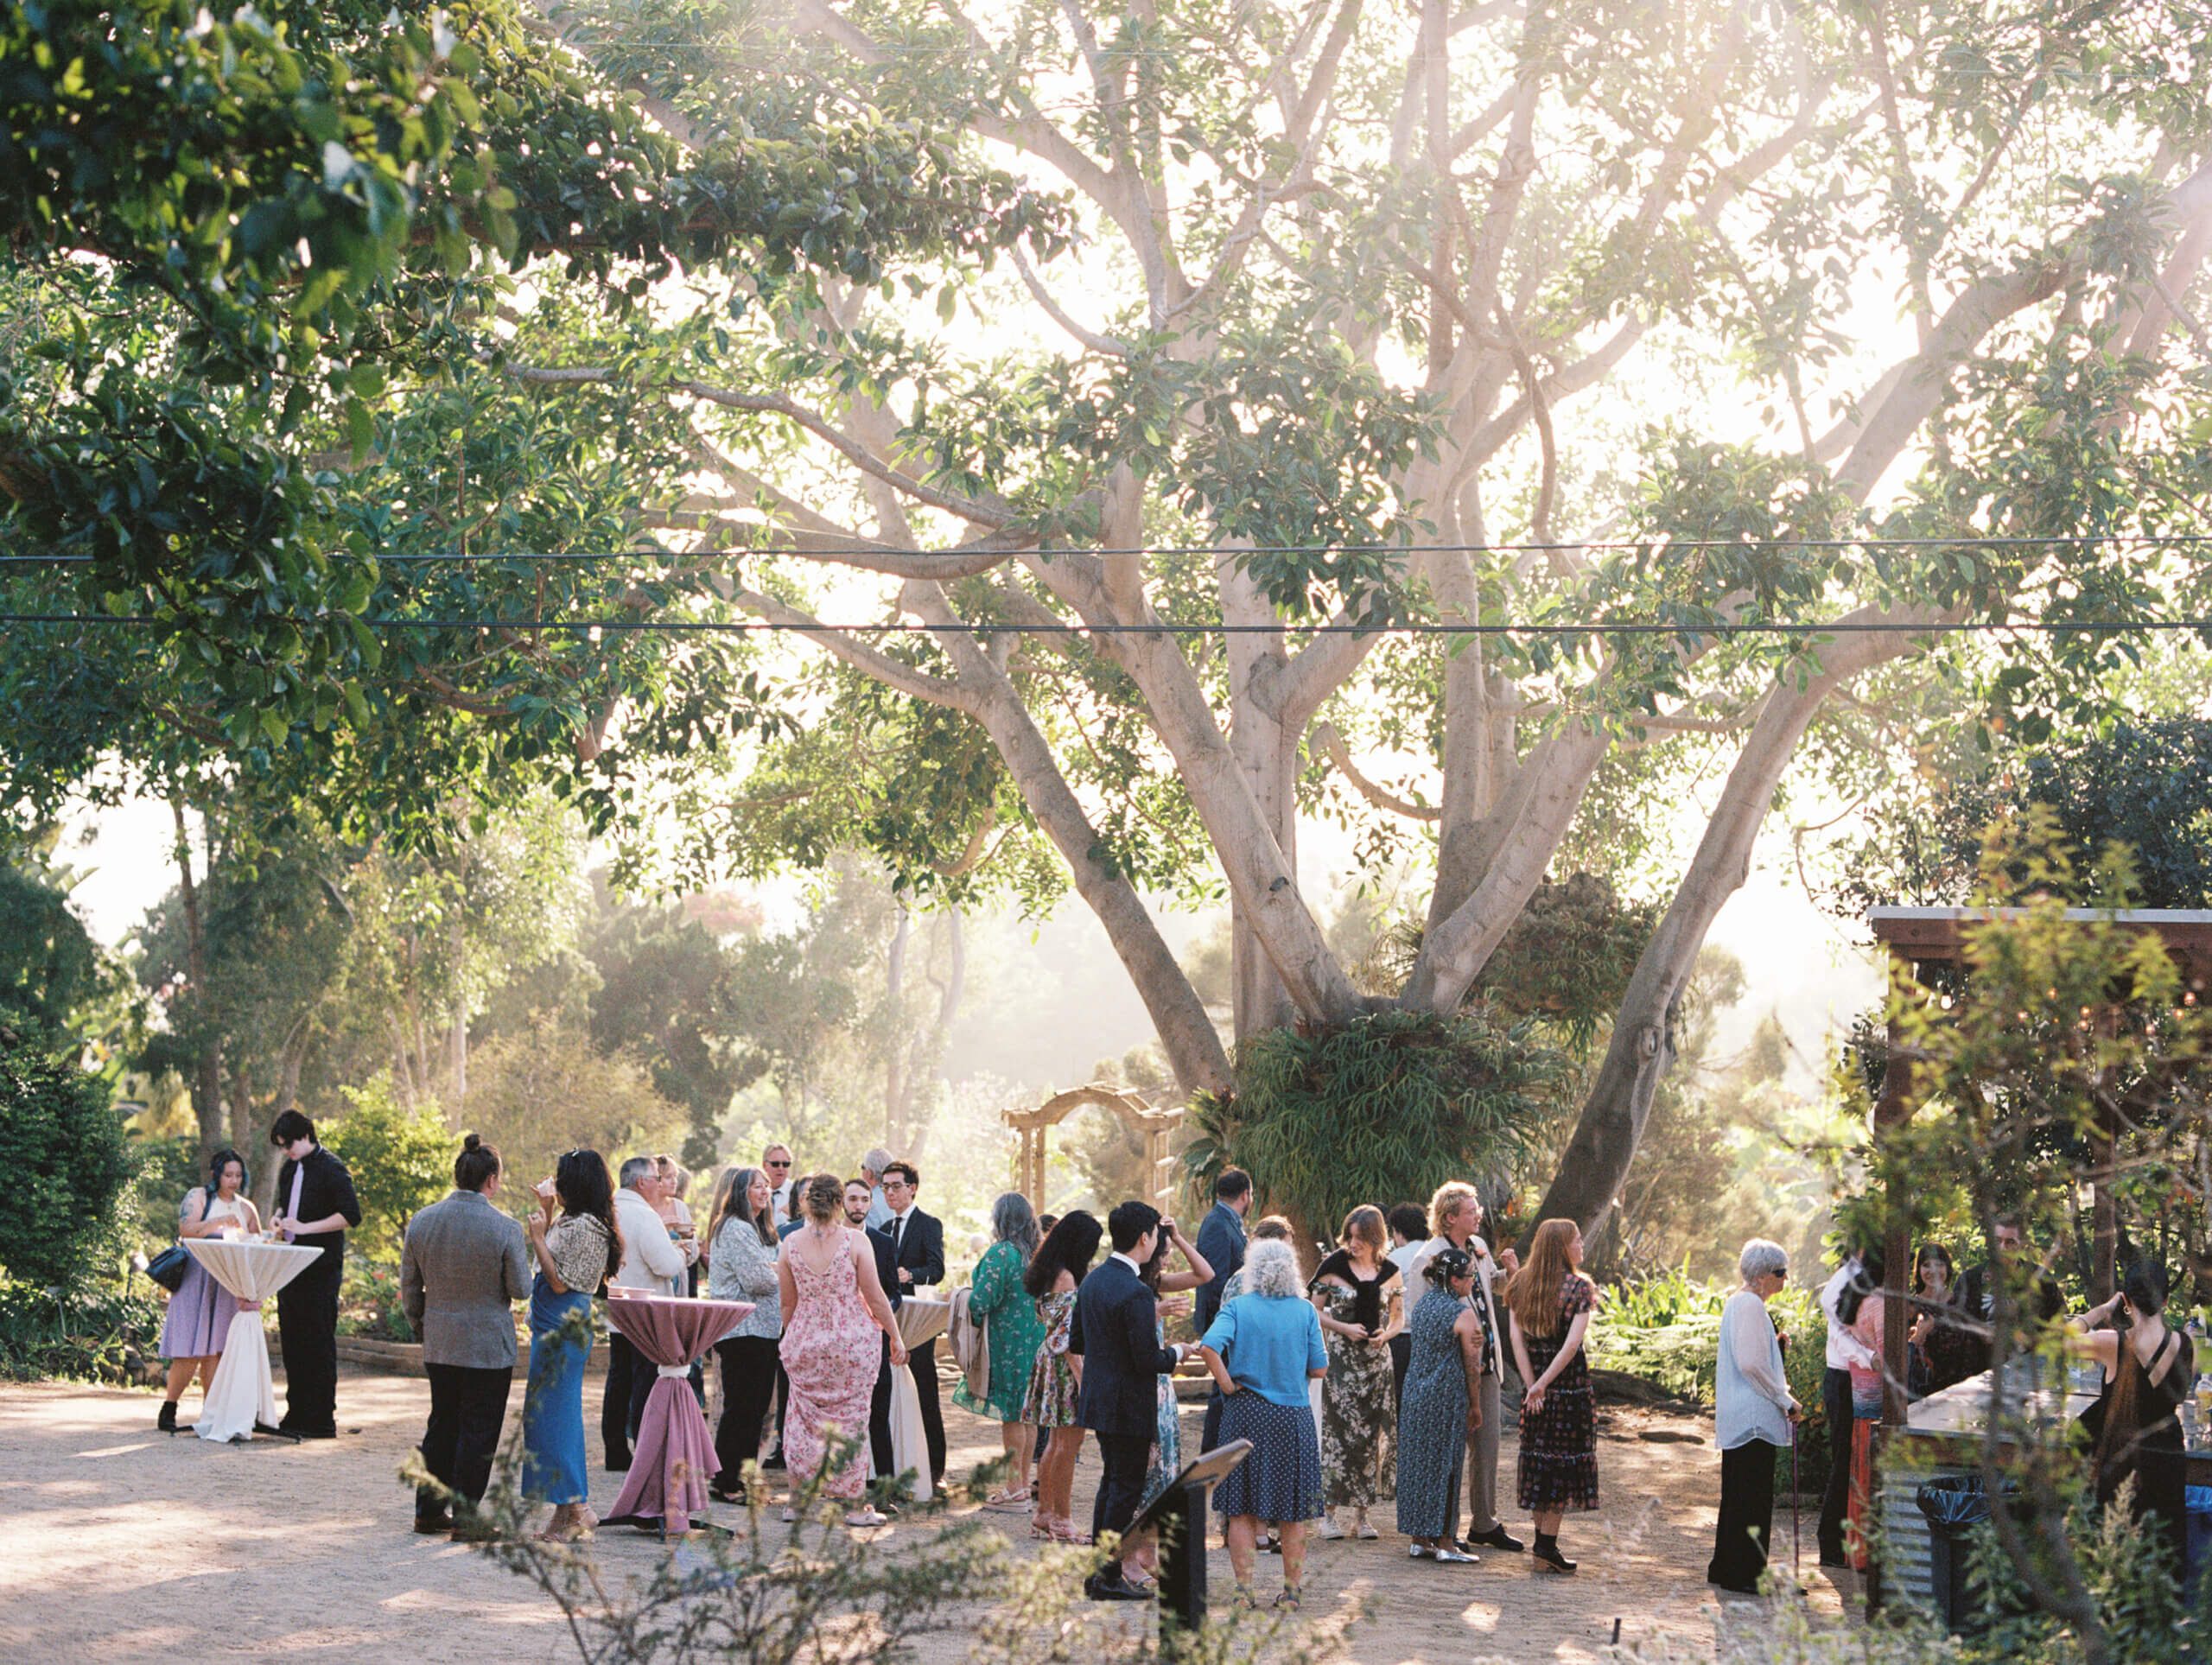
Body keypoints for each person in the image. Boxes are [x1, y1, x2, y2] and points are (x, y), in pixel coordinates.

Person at [401, 1134, 531, 1538]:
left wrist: (421, 1324)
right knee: (479, 1429)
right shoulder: (505, 1228)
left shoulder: (422, 1221)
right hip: (488, 1345)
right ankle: (468, 1517)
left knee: (441, 1425)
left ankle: (428, 1510)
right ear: (491, 1180)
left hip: (440, 1339)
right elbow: (521, 1289)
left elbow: (409, 1286)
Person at [1071, 1201, 1198, 1602]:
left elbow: (1077, 1342)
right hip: (1128, 1404)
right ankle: (1107, 1577)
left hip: (1098, 1399)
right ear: (1145, 1238)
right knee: (1122, 1491)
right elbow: (1150, 1361)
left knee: (1110, 1487)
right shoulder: (1136, 1292)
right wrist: (1179, 1352)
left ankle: (1099, 1573)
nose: (1159, 1242)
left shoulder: (1091, 1281)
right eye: (1158, 1236)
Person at [1198, 1237, 1329, 1612]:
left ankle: (1243, 1592)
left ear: (1252, 1271)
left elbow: (1209, 1346)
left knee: (1240, 1508)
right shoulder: (1305, 1312)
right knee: (1293, 1510)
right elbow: (1319, 1368)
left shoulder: (1237, 1307)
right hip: (1292, 1418)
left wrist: (1227, 1384)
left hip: (1245, 1414)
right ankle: (1291, 1591)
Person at [778, 1172, 906, 1528]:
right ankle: (852, 1507)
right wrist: (896, 1337)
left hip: (806, 1337)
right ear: (839, 1203)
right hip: (851, 1341)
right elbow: (876, 1298)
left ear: (806, 1202)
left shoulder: (788, 1244)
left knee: (802, 1420)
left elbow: (787, 1304)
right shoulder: (856, 1243)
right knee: (852, 1422)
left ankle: (797, 1503)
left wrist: (795, 1338)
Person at [1404, 1182, 1522, 1554]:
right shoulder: (1427, 1258)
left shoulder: (1477, 1250)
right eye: (1471, 1211)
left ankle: (1484, 1522)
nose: (1479, 1216)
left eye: (1478, 1211)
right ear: (1450, 1217)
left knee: (1486, 1445)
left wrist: (1510, 1273)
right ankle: (1437, 1531)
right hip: (1447, 1367)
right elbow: (1420, 1315)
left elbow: (1491, 1289)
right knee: (1445, 1449)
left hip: (1486, 1361)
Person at [2068, 1259, 2194, 1578]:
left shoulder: (2114, 1343)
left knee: (2119, 1558)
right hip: (2167, 1456)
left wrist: (2100, 1311)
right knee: (2163, 1556)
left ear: (2126, 1301)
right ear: (2166, 1300)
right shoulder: (2186, 1345)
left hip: (2125, 1461)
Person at [522, 1148, 620, 1543]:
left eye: (561, 1179)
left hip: (563, 1326)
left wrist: (537, 1234)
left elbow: (559, 1280)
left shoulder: (587, 1228)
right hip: (551, 1325)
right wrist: (546, 1211)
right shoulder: (573, 1220)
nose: (555, 1183)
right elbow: (546, 1264)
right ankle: (568, 1512)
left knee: (557, 1420)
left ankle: (578, 1508)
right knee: (547, 1418)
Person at [1123, 1214, 1214, 1587]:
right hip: (1143, 1383)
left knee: (1164, 1472)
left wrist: (1177, 1238)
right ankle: (1136, 1552)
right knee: (1142, 1471)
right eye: (1161, 1253)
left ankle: (1150, 1549)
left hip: (1163, 1387)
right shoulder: (1128, 1286)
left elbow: (1205, 1275)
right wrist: (1155, 1312)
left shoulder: (1155, 1283)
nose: (1165, 1260)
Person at [1707, 1239, 1802, 1595]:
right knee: (1751, 1497)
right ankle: (1744, 1572)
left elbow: (1750, 1355)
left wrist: (1774, 1348)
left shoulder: (1741, 1303)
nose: (1785, 1279)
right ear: (1761, 1275)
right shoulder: (1749, 1305)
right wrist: (1785, 1399)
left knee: (1737, 1493)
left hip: (1743, 1414)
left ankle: (1726, 1565)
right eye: (1780, 1273)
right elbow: (1749, 1363)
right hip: (1753, 1416)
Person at [1504, 1217, 1599, 1574]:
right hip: (1568, 1388)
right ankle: (1546, 1546)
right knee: (1561, 1466)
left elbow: (1517, 1341)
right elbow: (1572, 1345)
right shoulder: (1579, 1288)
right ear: (1562, 1247)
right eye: (1577, 1240)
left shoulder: (1520, 1284)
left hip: (1536, 1389)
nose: (1581, 1246)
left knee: (1539, 1462)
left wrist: (1532, 1386)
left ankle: (1542, 1543)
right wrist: (1544, 1384)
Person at [269, 1109, 361, 1439]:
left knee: (318, 1340)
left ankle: (321, 1418)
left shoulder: (332, 1168)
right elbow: (285, 1205)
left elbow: (351, 1215)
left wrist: (308, 1228)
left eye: (289, 1144)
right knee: (292, 1340)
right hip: (290, 1265)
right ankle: (296, 1413)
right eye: (282, 1146)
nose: (286, 1151)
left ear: (307, 1136)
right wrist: (278, 1220)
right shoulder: (290, 1168)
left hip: (321, 1268)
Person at [156, 1147, 263, 1432]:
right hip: (196, 1274)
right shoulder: (199, 1197)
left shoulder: (246, 1207)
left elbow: (257, 1241)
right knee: (189, 1348)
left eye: (239, 1175)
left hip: (228, 1278)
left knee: (217, 1349)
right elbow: (186, 1229)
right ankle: (170, 1405)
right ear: (216, 1174)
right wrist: (217, 1222)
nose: (234, 1181)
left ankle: (211, 1411)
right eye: (228, 1174)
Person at [1311, 1204, 1401, 1541]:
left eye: (1361, 1238)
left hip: (1377, 1361)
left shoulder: (1390, 1270)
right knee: (1336, 1433)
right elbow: (1313, 1311)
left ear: (1376, 1238)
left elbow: (1398, 1316)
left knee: (1371, 1436)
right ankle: (1329, 1514)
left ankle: (1362, 1517)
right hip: (1341, 1361)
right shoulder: (1333, 1265)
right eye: (1350, 1236)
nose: (1354, 1244)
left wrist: (1387, 1334)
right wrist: (1343, 1329)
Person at [953, 1192, 1046, 1509]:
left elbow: (981, 1301)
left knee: (1011, 1416)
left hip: (1007, 1344)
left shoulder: (1001, 1254)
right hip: (1036, 1340)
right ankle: (1021, 1482)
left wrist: (962, 1300)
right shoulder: (1037, 1253)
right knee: (1028, 1414)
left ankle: (1013, 1488)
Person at [1396, 1247, 1486, 1563]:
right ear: (1454, 1279)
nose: (1472, 1282)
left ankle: (1419, 1537)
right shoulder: (1462, 1313)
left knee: (1419, 1464)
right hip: (1446, 1395)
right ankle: (1447, 1542)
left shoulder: (1422, 1307)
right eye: (1470, 1276)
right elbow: (1472, 1363)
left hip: (1415, 1392)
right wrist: (1475, 1405)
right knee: (1447, 1465)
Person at [603, 1156, 690, 1470]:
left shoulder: (608, 1210)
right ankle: (643, 1448)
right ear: (641, 1182)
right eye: (656, 1178)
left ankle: (614, 1449)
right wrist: (681, 1252)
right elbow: (665, 1265)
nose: (661, 1184)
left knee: (618, 1379)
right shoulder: (644, 1215)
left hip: (615, 1309)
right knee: (642, 1380)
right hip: (645, 1312)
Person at [1022, 1210, 1103, 1546]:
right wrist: (1085, 1379)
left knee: (1055, 1444)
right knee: (1068, 1445)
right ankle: (1062, 1519)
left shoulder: (1047, 1271)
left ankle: (1045, 1513)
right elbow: (1070, 1339)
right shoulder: (1067, 1278)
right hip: (1065, 1366)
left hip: (1049, 1362)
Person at [707, 1165, 783, 1503]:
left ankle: (738, 1479)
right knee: (742, 1409)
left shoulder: (757, 1230)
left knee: (753, 1410)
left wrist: (773, 1271)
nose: (765, 1191)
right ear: (741, 1192)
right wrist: (780, 1272)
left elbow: (768, 1273)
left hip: (763, 1330)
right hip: (744, 1330)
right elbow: (758, 1280)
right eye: (757, 1186)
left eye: (766, 1186)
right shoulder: (736, 1229)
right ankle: (727, 1481)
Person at [880, 1160, 948, 1485]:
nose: (890, 1192)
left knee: (925, 1391)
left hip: (918, 1322)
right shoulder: (881, 1230)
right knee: (887, 1394)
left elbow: (937, 1268)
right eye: (885, 1187)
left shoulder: (929, 1224)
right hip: (887, 1321)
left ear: (912, 1188)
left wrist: (912, 1274)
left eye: (896, 1186)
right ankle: (893, 1464)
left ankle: (935, 1470)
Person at [1814, 1243, 1878, 1566]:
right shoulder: (1845, 1277)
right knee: (1844, 1460)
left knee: (1857, 1460)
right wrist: (1870, 1358)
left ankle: (1848, 1541)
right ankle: (1830, 1543)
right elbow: (1839, 1334)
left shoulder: (1868, 1276)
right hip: (1844, 1378)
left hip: (1861, 1379)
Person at [844, 1176, 905, 1485]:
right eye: (852, 1199)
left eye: (864, 1200)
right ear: (841, 1202)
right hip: (839, 1343)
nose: (858, 1205)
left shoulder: (883, 1243)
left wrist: (878, 1315)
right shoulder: (830, 1240)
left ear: (871, 1203)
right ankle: (842, 1485)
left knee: (878, 1414)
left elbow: (893, 1292)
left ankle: (884, 1486)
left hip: (875, 1337)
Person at [1954, 1215, 2066, 1376]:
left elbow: (2058, 1325)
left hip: (2029, 1374)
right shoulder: (1969, 1280)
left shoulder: (2040, 1279)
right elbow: (1957, 1329)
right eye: (1997, 1241)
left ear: (2022, 1245)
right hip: (1978, 1375)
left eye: (2010, 1242)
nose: (2003, 1248)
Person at [1838, 1249, 1886, 1572]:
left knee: (1860, 1474)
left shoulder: (1858, 1298)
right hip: (1878, 1400)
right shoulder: (1879, 1303)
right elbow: (1889, 1356)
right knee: (1874, 1476)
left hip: (1859, 1394)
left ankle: (1857, 1552)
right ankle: (1870, 1555)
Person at [1907, 1242, 1974, 1397]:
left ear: (1948, 1268)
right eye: (1926, 1265)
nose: (1933, 1271)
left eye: (1939, 1265)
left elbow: (1972, 1347)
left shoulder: (1960, 1303)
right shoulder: (1910, 1307)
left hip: (1961, 1388)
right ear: (1918, 1270)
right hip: (1925, 1391)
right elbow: (1904, 1354)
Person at [1194, 1168, 1253, 1333]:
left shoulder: (1227, 1221)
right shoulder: (1218, 1225)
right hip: (1224, 1325)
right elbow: (1216, 1282)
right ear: (1244, 1195)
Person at [1385, 1203, 1430, 1414]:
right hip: (1432, 1336)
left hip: (1401, 1336)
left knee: (1400, 1398)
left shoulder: (1395, 1259)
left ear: (1397, 1232)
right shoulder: (1436, 1253)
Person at [859, 1147, 895, 1230]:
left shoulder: (869, 1203)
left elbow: (868, 1239)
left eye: (863, 1167)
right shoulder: (898, 1198)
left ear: (869, 1173)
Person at [763, 1144, 796, 1217]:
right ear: (764, 1165)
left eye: (785, 1164)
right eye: (775, 1164)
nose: (781, 1168)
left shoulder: (796, 1193)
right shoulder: (755, 1192)